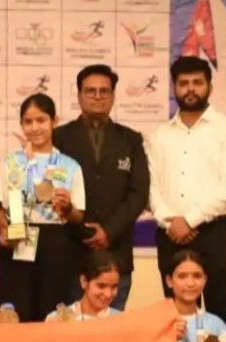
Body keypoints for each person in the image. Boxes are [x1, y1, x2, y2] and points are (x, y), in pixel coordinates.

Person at [147, 56, 226, 324]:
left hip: (218, 233)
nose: (190, 89)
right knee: (176, 315)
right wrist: (170, 222)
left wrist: (189, 220)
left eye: (197, 83)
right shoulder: (159, 135)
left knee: (222, 311)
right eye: (183, 83)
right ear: (174, 88)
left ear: (209, 87)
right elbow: (151, 186)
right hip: (171, 234)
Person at [53, 64, 149, 310]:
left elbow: (138, 194)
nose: (97, 96)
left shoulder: (131, 140)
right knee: (69, 328)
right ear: (79, 96)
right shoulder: (58, 138)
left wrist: (109, 231)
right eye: (90, 91)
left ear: (113, 96)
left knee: (111, 329)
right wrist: (83, 230)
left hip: (116, 254)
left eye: (104, 91)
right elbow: (50, 192)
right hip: (69, 255)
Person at [0, 93, 86, 323]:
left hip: (56, 244)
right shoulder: (11, 162)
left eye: (41, 120)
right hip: (18, 240)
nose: (35, 127)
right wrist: (4, 230)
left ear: (54, 121)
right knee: (15, 313)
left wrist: (68, 208)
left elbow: (79, 216)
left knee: (51, 313)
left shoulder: (70, 165)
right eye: (28, 121)